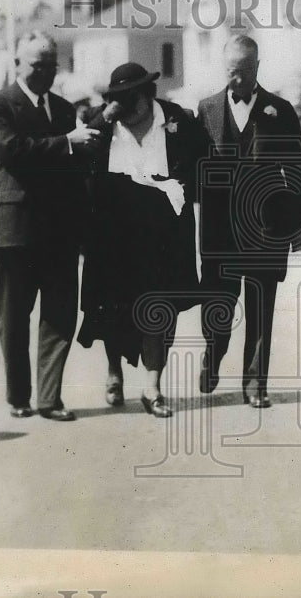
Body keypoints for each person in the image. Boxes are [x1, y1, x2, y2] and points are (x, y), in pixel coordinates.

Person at [75, 62, 208, 418]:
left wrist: (179, 186)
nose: (124, 112)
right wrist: (108, 115)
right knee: (112, 302)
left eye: (129, 102)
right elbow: (80, 156)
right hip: (113, 225)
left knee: (160, 305)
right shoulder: (102, 119)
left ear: (147, 97)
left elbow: (204, 161)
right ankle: (114, 371)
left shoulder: (178, 119)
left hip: (164, 226)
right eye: (116, 102)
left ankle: (153, 386)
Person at [0, 30, 100, 421]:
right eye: (37, 65)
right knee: (13, 319)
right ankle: (19, 397)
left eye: (51, 65)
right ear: (17, 64)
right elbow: (14, 151)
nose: (45, 72)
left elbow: (73, 173)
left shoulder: (66, 110)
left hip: (59, 231)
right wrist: (67, 141)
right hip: (15, 230)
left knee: (60, 315)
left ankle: (50, 398)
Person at [196, 34, 301, 408]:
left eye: (245, 73)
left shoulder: (280, 110)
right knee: (218, 303)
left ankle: (255, 383)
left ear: (257, 68)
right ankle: (213, 356)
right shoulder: (207, 109)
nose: (238, 81)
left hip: (267, 227)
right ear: (223, 69)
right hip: (220, 228)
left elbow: (298, 170)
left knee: (262, 306)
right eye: (232, 73)